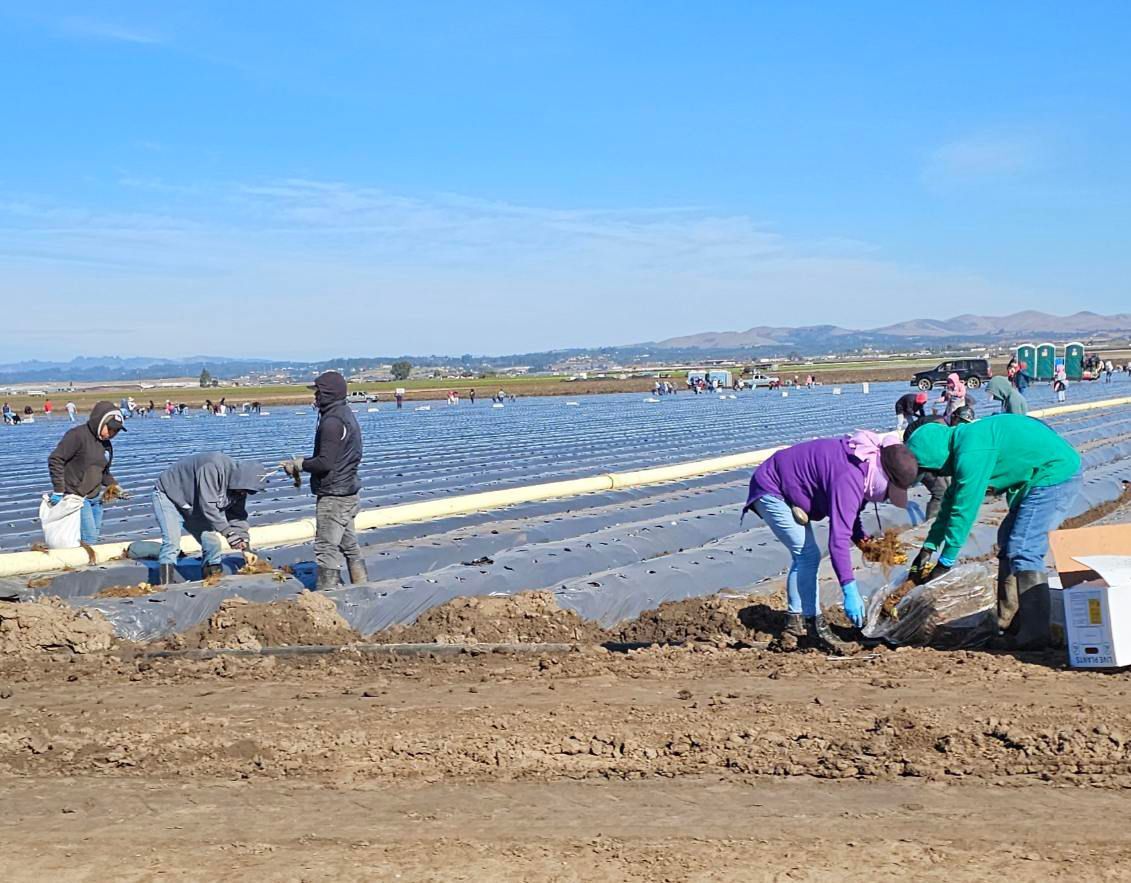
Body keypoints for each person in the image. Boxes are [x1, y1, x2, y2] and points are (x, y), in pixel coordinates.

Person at [906, 415, 1082, 651]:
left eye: (931, 469)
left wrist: (946, 561)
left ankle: (1035, 633)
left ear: (934, 457)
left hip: (1055, 476)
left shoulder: (971, 453)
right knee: (1008, 541)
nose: (935, 474)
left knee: (1024, 547)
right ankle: (1007, 621)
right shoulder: (963, 443)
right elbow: (949, 503)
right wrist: (928, 548)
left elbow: (964, 511)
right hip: (1038, 477)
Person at [742, 431, 920, 650]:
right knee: (807, 555)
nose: (885, 497)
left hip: (793, 487)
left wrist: (863, 541)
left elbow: (849, 514)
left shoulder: (865, 464)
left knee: (805, 556)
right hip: (772, 487)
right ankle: (813, 626)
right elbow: (837, 540)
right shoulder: (850, 476)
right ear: (883, 478)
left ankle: (796, 621)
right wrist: (849, 590)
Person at [280, 371, 366, 590]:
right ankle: (362, 588)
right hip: (349, 492)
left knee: (326, 548)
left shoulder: (332, 422)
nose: (315, 397)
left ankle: (327, 598)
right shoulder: (345, 414)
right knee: (349, 545)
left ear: (328, 394)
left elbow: (325, 462)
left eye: (318, 393)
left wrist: (299, 464)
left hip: (334, 496)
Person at [153, 453, 264, 585]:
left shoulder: (240, 490)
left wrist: (245, 546)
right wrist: (229, 534)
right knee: (172, 543)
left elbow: (237, 516)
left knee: (213, 544)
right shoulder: (211, 467)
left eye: (249, 492)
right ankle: (166, 588)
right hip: (169, 497)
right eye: (244, 490)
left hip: (195, 503)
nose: (244, 494)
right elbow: (209, 507)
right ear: (239, 480)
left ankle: (212, 582)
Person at [47, 401, 127, 545]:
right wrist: (59, 489)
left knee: (93, 536)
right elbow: (56, 459)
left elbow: (104, 472)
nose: (112, 433)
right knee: (89, 537)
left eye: (116, 431)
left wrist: (116, 487)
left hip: (95, 499)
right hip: (77, 497)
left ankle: (85, 561)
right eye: (110, 429)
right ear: (100, 421)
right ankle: (85, 565)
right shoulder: (77, 435)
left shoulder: (106, 445)